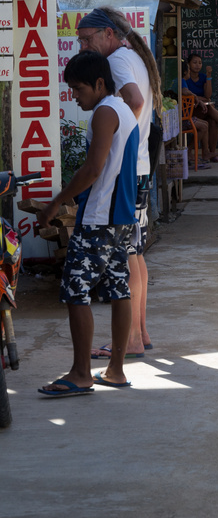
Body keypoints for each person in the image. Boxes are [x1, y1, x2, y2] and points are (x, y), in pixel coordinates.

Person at [38, 52, 139, 396]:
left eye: (78, 88)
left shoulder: (105, 111)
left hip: (98, 218)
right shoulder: (124, 109)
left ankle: (81, 373)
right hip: (122, 217)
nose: (74, 95)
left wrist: (56, 202)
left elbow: (93, 169)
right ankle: (115, 370)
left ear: (99, 84)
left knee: (75, 290)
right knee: (117, 290)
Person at [77, 6, 160, 360]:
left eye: (87, 39)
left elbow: (136, 103)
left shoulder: (117, 62)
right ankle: (139, 333)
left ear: (108, 34)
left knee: (125, 255)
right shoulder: (131, 57)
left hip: (128, 170)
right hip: (139, 167)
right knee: (134, 253)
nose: (83, 47)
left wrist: (115, 142)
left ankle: (130, 339)